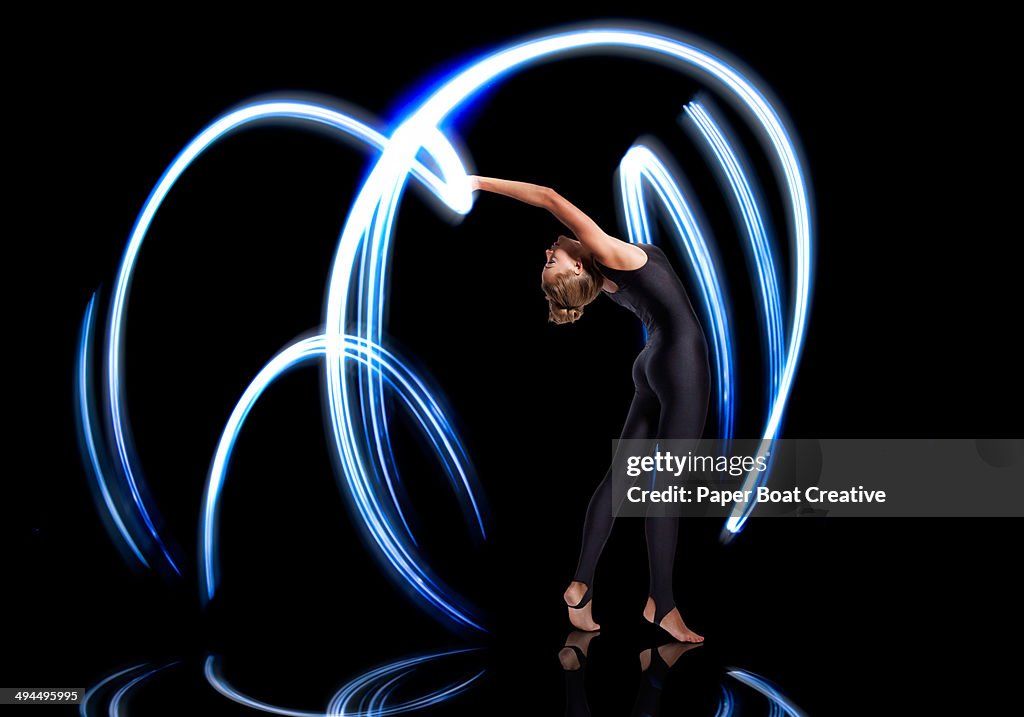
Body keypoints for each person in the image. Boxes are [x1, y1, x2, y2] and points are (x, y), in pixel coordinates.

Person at [470, 175, 710, 643]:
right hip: (680, 363)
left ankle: (581, 587)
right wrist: (474, 182)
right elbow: (549, 198)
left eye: (547, 260)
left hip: (650, 365)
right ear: (579, 269)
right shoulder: (604, 255)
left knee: (621, 477)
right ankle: (662, 604)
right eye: (554, 261)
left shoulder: (605, 275)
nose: (548, 253)